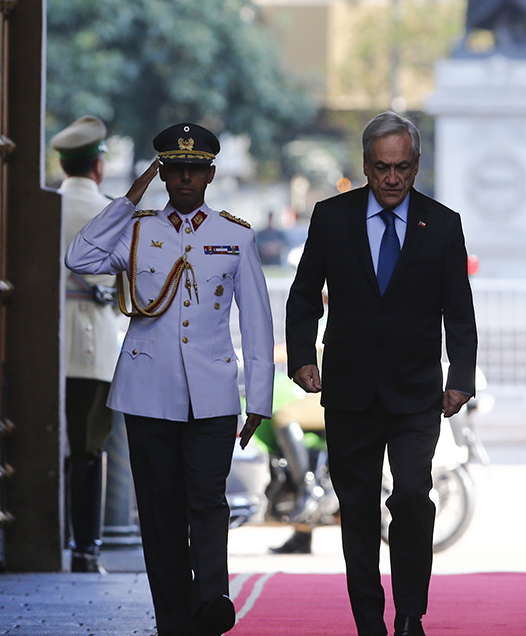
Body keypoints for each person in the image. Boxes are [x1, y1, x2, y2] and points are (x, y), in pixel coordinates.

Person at [65, 122, 274, 636]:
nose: (185, 178)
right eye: (175, 169)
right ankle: (174, 621)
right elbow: (80, 257)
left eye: (194, 169)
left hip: (214, 395)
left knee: (207, 501)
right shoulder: (137, 230)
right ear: (162, 175)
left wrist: (260, 398)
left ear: (209, 174)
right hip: (147, 392)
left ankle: (212, 600)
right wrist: (129, 196)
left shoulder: (235, 235)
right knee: (160, 513)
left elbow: (256, 321)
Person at [286, 111, 477, 636]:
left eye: (403, 167)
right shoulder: (331, 217)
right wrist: (303, 357)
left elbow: (460, 310)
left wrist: (460, 376)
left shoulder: (442, 224)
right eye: (381, 168)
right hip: (348, 391)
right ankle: (368, 620)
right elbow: (303, 296)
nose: (392, 179)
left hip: (417, 392)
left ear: (417, 166)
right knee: (358, 507)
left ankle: (411, 614)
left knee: (413, 497)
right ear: (365, 167)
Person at [51, 115, 117, 574]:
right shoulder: (111, 211)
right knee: (89, 450)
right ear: (97, 166)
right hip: (95, 347)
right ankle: (86, 549)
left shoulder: (40, 208)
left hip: (43, 345)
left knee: (42, 446)